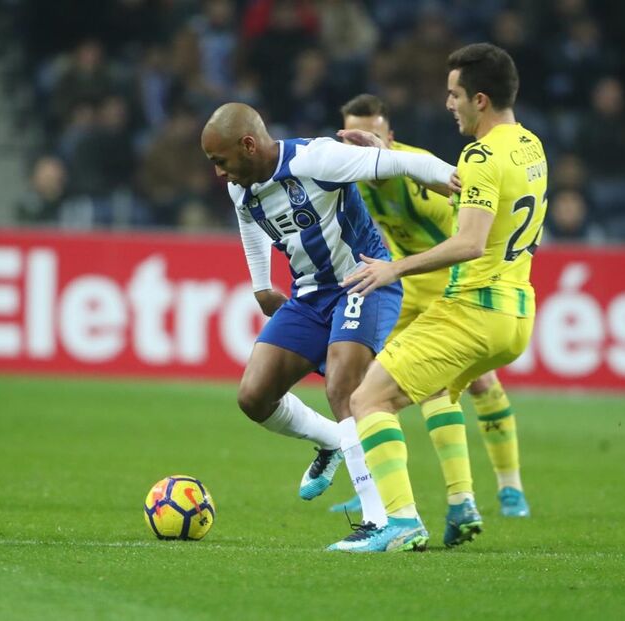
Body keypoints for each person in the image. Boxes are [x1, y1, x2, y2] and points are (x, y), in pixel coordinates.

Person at [200, 102, 458, 547]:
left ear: (248, 145)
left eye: (220, 161)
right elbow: (248, 225)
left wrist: (462, 180)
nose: (219, 173)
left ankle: (384, 522)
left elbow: (399, 161)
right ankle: (334, 442)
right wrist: (262, 283)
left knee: (345, 388)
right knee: (254, 396)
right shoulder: (241, 188)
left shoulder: (315, 159)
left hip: (363, 280)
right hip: (309, 295)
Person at [333, 43, 547, 552]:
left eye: (453, 95)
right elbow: (467, 187)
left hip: (473, 307)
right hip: (516, 316)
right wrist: (385, 156)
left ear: (479, 98)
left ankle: (401, 524)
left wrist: (395, 268)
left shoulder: (481, 154)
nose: (447, 104)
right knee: (436, 393)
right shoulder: (530, 147)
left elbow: (470, 241)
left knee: (367, 398)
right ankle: (460, 502)